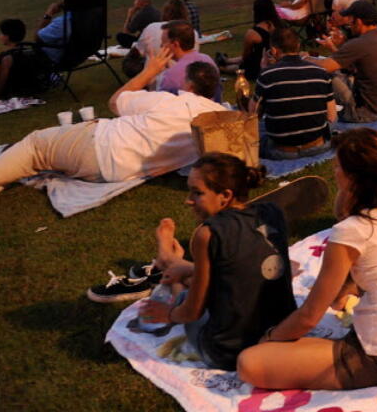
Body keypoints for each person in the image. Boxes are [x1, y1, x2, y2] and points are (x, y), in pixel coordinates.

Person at [237, 129, 377, 391]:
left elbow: (309, 317)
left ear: (353, 178)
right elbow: (347, 216)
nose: (334, 171)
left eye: (338, 167)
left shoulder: (351, 233)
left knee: (250, 362)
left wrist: (269, 338)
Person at [0, 54, 225, 213]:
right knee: (51, 147)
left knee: (36, 144)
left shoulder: (172, 101)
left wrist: (148, 72)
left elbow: (116, 102)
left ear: (187, 85)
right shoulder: (219, 121)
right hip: (119, 171)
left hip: (98, 147)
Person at [100, 154, 296, 372]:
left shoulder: (208, 233)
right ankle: (172, 261)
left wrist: (168, 314)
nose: (188, 200)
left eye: (197, 192)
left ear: (225, 195)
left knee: (186, 292)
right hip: (282, 334)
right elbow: (240, 268)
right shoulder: (273, 212)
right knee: (221, 274)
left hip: (227, 352)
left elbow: (191, 312)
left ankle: (169, 261)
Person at [310, 0, 377, 129]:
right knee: (340, 72)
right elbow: (355, 65)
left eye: (350, 19)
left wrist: (301, 58)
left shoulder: (360, 44)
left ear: (358, 21)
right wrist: (339, 46)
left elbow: (322, 67)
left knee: (321, 74)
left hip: (362, 112)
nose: (348, 23)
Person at [254, 27, 335, 159]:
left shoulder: (266, 75)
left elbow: (254, 115)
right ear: (298, 46)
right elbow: (332, 116)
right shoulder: (320, 72)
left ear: (273, 50)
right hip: (318, 147)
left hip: (281, 151)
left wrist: (263, 68)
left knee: (257, 136)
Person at [155, 21, 220, 100]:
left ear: (175, 44)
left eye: (164, 43)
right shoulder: (208, 60)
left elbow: (161, 105)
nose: (161, 46)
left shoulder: (171, 75)